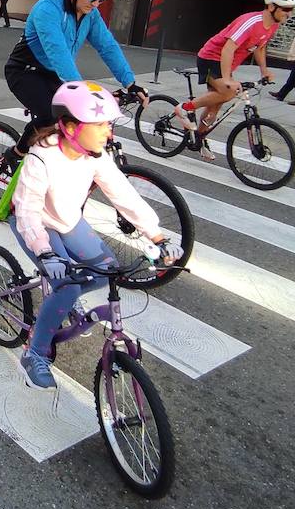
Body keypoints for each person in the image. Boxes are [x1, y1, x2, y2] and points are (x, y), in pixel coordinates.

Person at [9, 82, 175, 390]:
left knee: (106, 271)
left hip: (69, 220)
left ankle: (63, 298)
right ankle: (35, 352)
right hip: (38, 226)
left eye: (108, 125)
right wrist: (44, 251)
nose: (107, 133)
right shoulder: (41, 157)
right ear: (70, 126)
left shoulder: (94, 154)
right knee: (68, 285)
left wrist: (156, 236)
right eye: (99, 125)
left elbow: (123, 193)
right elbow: (28, 211)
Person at [2, 0, 145, 167]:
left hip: (53, 74)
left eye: (102, 0)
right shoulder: (48, 9)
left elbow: (107, 46)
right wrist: (83, 92)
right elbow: (58, 53)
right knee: (49, 116)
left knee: (72, 124)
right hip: (25, 71)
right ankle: (16, 154)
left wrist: (130, 82)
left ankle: (52, 163)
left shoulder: (90, 15)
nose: (96, 5)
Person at [177, 0, 295, 160]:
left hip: (226, 64)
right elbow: (228, 48)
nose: (289, 13)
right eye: (286, 9)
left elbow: (259, 47)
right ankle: (185, 108)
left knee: (216, 104)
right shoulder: (251, 22)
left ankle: (199, 137)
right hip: (211, 57)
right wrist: (227, 79)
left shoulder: (272, 26)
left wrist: (264, 70)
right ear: (272, 6)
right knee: (227, 92)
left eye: (291, 10)